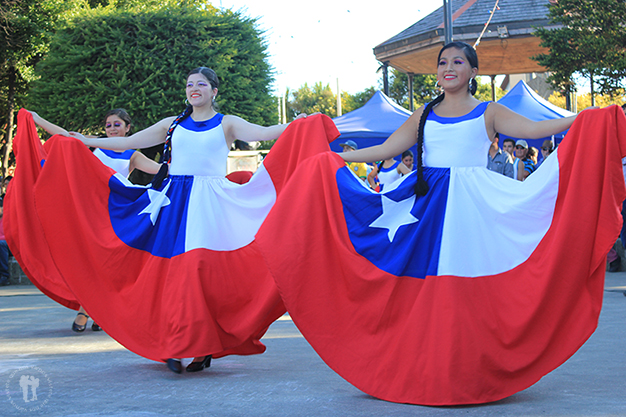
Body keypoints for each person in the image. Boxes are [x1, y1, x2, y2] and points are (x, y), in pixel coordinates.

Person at [255, 41, 626, 405]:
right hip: (426, 208)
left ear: (473, 72)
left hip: (475, 210)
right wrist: (334, 158)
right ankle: (428, 370)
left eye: (458, 62)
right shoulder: (423, 115)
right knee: (423, 293)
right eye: (443, 62)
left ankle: (469, 371)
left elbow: (537, 130)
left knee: (469, 292)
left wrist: (588, 117)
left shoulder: (489, 112)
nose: (448, 67)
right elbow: (387, 150)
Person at [7, 67, 319, 375]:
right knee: (174, 276)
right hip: (173, 205)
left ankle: (198, 345)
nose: (193, 88)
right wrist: (50, 126)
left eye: (200, 84)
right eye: (189, 84)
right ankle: (181, 344)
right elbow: (123, 144)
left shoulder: (228, 124)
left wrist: (302, 123)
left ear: (214, 91)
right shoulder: (173, 124)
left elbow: (266, 133)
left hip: (210, 207)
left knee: (199, 276)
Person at [28, 108, 161, 333]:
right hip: (90, 212)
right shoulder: (94, 146)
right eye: (108, 125)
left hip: (115, 216)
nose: (111, 128)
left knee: (106, 264)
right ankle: (92, 309)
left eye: (117, 124)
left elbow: (160, 171)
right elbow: (66, 137)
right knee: (88, 261)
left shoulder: (132, 155)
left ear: (128, 128)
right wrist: (37, 119)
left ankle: (89, 310)